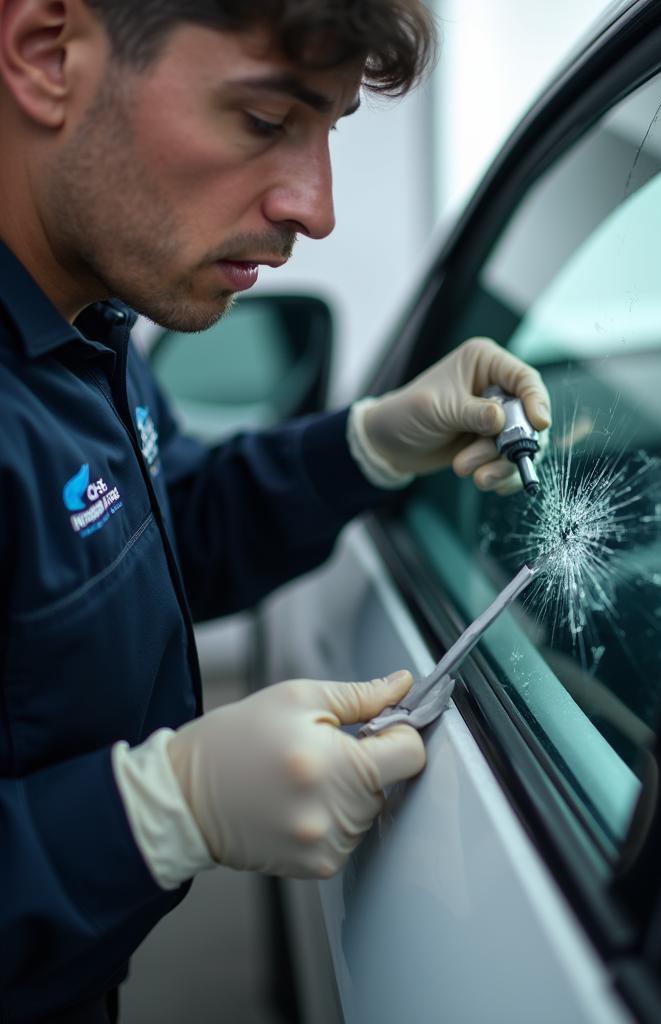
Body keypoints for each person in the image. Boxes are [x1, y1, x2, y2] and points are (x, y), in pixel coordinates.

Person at [0, 1, 552, 1020]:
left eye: (330, 128)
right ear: (46, 54)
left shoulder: (84, 313)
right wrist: (155, 816)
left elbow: (158, 532)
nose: (316, 207)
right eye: (264, 120)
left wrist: (365, 447)